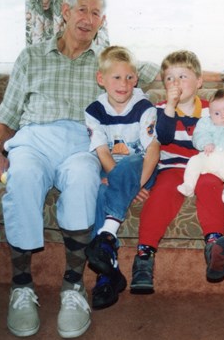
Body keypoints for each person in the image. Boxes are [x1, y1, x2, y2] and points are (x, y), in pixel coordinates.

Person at [0, 0, 158, 339]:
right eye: (82, 9)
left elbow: (154, 73)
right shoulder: (31, 56)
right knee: (24, 177)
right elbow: (8, 113)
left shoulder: (108, 61)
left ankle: (73, 287)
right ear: (65, 11)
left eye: (96, 13)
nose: (88, 19)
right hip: (33, 139)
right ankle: (21, 287)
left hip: (82, 141)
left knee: (82, 179)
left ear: (102, 20)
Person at [130, 51, 224, 294]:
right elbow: (165, 137)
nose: (175, 83)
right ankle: (144, 255)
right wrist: (170, 106)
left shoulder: (213, 110)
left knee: (210, 185)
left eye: (182, 76)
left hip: (206, 166)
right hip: (174, 167)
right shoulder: (159, 109)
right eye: (169, 78)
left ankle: (214, 245)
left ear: (199, 81)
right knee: (163, 192)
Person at [83, 46, 160, 310]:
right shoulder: (94, 110)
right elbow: (102, 150)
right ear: (101, 79)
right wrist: (118, 182)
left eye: (129, 77)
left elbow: (153, 149)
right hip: (113, 173)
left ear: (136, 79)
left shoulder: (144, 106)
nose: (123, 84)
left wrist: (134, 185)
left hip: (142, 171)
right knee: (101, 192)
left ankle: (106, 237)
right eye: (116, 77)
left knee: (133, 159)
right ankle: (107, 275)